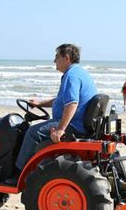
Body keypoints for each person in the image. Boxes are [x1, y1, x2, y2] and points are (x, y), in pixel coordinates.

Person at [9, 43, 97, 183]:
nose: (54, 60)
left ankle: (18, 173)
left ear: (66, 58)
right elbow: (62, 100)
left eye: (57, 57)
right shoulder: (80, 72)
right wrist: (40, 103)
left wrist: (60, 129)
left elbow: (72, 103)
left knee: (32, 132)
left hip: (74, 124)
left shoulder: (71, 76)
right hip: (80, 122)